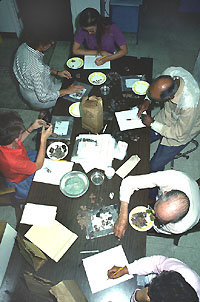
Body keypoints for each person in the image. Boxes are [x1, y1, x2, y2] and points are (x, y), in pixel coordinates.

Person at [138, 67, 200, 173]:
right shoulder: (169, 73)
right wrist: (147, 100)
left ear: (170, 97)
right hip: (168, 115)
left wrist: (153, 123)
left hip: (182, 132)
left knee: (154, 167)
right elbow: (154, 89)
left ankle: (153, 189)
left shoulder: (189, 105)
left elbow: (180, 134)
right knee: (142, 139)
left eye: (156, 100)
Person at [114, 170, 200, 238]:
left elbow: (159, 228)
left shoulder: (178, 227)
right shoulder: (174, 178)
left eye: (159, 218)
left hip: (195, 212)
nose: (153, 215)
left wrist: (152, 224)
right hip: (191, 184)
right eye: (155, 211)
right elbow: (128, 182)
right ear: (164, 193)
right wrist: (123, 215)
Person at [13, 30, 83, 114]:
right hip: (38, 97)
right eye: (50, 42)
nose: (52, 42)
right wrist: (66, 91)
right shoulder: (35, 68)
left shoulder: (24, 46)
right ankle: (44, 112)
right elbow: (43, 97)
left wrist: (57, 72)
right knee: (71, 98)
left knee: (70, 87)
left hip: (27, 88)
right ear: (41, 45)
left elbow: (40, 67)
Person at [0, 111, 52, 200]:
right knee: (42, 193)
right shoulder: (14, 162)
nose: (22, 132)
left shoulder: (5, 141)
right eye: (21, 132)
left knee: (47, 158)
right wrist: (43, 140)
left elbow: (19, 140)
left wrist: (31, 128)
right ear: (16, 139)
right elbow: (38, 165)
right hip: (21, 180)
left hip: (23, 159)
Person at [107, 255, 200, 302]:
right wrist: (127, 269)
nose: (152, 280)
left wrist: (138, 297)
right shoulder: (182, 272)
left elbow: (139, 296)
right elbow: (156, 263)